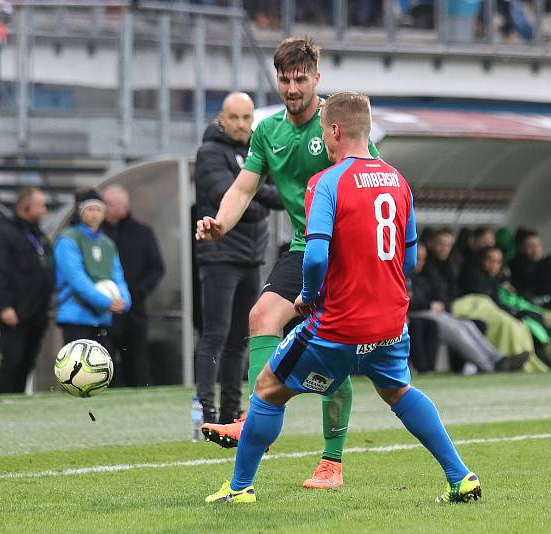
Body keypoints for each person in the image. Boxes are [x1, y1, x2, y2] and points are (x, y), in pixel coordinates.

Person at [205, 92, 480, 504]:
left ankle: (240, 489)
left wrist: (308, 297)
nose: (324, 140)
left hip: (339, 324)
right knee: (398, 391)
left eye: (324, 132)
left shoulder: (326, 182)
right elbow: (408, 258)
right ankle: (461, 478)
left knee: (267, 389)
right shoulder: (398, 181)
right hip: (389, 322)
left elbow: (314, 256)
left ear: (335, 130)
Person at [196, 37, 380, 490]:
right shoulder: (268, 131)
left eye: (300, 78)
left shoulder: (335, 127)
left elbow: (369, 181)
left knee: (333, 357)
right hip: (305, 247)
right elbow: (243, 189)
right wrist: (221, 224)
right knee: (261, 315)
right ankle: (256, 416)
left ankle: (331, 463)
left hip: (344, 253)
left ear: (317, 78)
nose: (292, 87)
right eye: (284, 78)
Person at [193, 92, 283, 424]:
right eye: (235, 118)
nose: (242, 124)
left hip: (252, 255)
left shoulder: (256, 151)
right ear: (222, 118)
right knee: (215, 334)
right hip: (219, 254)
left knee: (238, 339)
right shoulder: (209, 153)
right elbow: (226, 197)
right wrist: (253, 198)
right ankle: (204, 410)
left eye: (247, 118)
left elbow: (275, 194)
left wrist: (248, 193)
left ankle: (231, 411)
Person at [411, 244, 528, 373]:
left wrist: (437, 302)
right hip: (414, 314)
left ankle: (499, 359)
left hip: (431, 311)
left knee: (468, 325)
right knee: (457, 330)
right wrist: (429, 304)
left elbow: (437, 293)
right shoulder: (400, 277)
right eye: (416, 258)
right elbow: (405, 302)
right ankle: (488, 366)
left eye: (422, 259)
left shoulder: (422, 278)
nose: (419, 263)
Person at [0, 187, 54, 395]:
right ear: (25, 207)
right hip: (15, 312)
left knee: (27, 361)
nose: (44, 210)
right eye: (40, 205)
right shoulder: (5, 232)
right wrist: (5, 306)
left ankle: (18, 401)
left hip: (36, 312)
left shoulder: (38, 234)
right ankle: (1, 401)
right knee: (12, 361)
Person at [101, 184, 164, 387]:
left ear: (124, 206)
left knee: (137, 362)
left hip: (134, 310)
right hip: (104, 310)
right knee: (104, 362)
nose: (105, 209)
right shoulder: (98, 235)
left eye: (109, 205)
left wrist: (136, 293)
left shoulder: (143, 233)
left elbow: (156, 268)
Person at [54, 190, 131, 350]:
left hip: (102, 318)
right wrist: (107, 302)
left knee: (101, 372)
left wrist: (124, 301)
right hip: (76, 317)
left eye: (98, 209)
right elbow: (77, 280)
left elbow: (118, 276)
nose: (94, 214)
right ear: (80, 211)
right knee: (76, 372)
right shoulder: (68, 240)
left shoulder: (107, 244)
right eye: (90, 209)